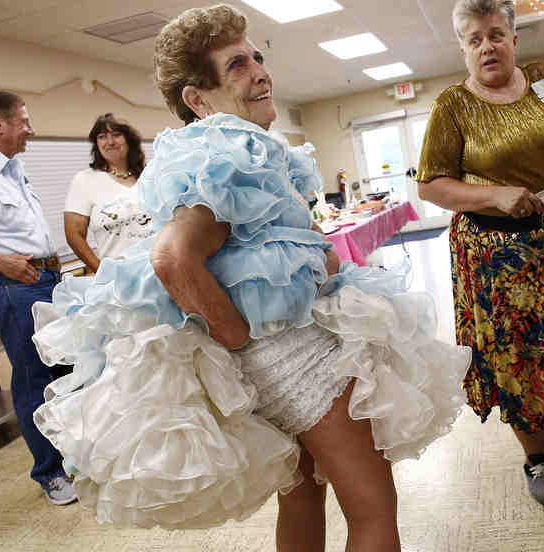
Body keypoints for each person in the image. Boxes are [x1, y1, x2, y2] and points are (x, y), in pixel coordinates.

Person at [29, 5, 471, 550]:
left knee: (303, 492)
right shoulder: (230, 150)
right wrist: (238, 338)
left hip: (267, 362)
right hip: (293, 357)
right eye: (237, 64)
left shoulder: (211, 151)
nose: (260, 71)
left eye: (257, 57)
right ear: (198, 98)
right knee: (374, 509)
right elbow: (172, 259)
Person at [416, 0, 544, 507]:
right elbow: (432, 187)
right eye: (475, 39)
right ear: (463, 48)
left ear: (514, 39)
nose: (487, 46)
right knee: (519, 354)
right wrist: (493, 193)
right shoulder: (451, 106)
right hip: (497, 257)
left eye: (496, 34)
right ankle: (537, 459)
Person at [0, 90, 76, 504]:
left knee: (65, 371)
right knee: (33, 379)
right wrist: (0, 261)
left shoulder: (13, 169)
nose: (31, 129)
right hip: (14, 287)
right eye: (24, 122)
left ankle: (73, 459)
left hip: (45, 281)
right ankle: (50, 474)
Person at [64, 114, 153, 272]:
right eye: (102, 136)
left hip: (161, 270)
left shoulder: (150, 176)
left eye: (116, 135)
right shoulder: (85, 180)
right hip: (120, 277)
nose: (110, 142)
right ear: (96, 144)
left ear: (129, 139)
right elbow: (74, 235)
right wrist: (102, 272)